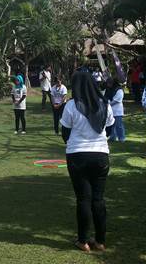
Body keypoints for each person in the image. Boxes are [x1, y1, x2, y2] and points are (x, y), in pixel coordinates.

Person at [60, 71, 114, 252]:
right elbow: (110, 129)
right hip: (100, 155)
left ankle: (82, 241)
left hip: (77, 155)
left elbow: (65, 133)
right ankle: (100, 241)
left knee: (83, 198)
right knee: (98, 199)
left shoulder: (71, 106)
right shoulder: (105, 104)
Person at [105, 78, 125, 142]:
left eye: (109, 83)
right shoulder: (108, 89)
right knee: (111, 124)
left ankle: (121, 138)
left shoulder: (119, 90)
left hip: (117, 111)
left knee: (119, 125)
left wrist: (108, 105)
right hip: (110, 111)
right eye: (107, 83)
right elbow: (105, 97)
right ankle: (112, 137)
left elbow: (116, 100)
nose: (108, 85)